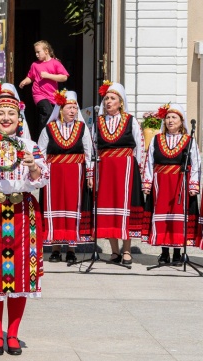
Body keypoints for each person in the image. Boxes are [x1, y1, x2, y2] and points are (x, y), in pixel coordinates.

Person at [0, 90, 48, 358]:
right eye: (0, 113)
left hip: (23, 212)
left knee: (21, 273)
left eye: (11, 113)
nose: (6, 118)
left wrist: (32, 167)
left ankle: (13, 333)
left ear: (19, 118)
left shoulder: (30, 146)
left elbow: (42, 179)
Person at [37, 90, 93, 264]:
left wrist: (90, 175)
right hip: (54, 174)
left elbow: (88, 153)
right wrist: (40, 173)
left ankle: (71, 249)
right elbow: (40, 153)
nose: (73, 111)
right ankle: (55, 249)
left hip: (75, 174)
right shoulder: (49, 128)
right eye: (69, 107)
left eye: (75, 108)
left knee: (73, 207)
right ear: (60, 109)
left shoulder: (82, 128)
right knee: (54, 208)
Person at [142, 103, 200, 265]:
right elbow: (149, 162)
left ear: (181, 122)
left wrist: (193, 185)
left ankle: (177, 253)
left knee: (177, 218)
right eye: (167, 117)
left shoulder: (189, 141)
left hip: (180, 183)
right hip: (161, 183)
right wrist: (147, 183)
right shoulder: (156, 139)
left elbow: (196, 163)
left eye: (174, 117)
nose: (170, 120)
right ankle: (164, 252)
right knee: (162, 216)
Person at [95, 81, 145, 266]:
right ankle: (114, 251)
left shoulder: (131, 120)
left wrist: (139, 171)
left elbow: (140, 146)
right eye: (106, 98)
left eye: (112, 98)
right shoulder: (98, 122)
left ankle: (127, 250)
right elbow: (93, 146)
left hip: (126, 168)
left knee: (125, 209)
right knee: (108, 207)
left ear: (121, 102)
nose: (108, 101)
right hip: (105, 168)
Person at [18, 41, 69, 133]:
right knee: (48, 112)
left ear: (46, 51)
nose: (36, 54)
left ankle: (51, 134)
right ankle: (43, 134)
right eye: (35, 52)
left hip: (52, 95)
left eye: (38, 52)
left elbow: (64, 77)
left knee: (54, 116)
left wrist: (48, 76)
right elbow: (31, 77)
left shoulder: (55, 63)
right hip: (39, 94)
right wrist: (25, 81)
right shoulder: (35, 65)